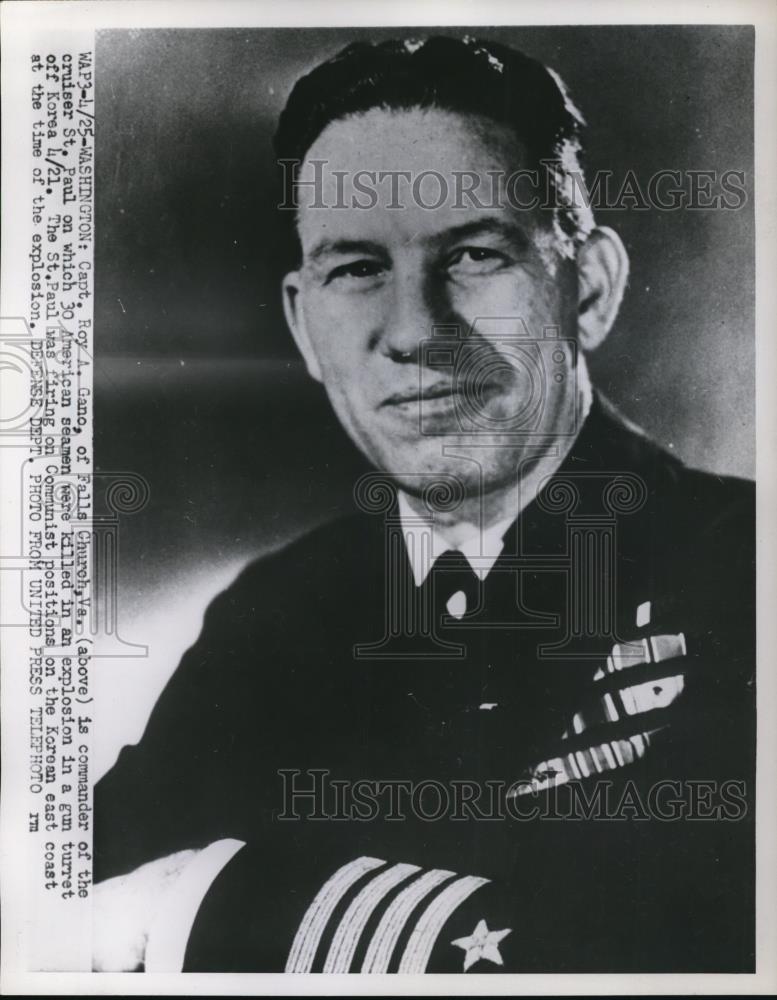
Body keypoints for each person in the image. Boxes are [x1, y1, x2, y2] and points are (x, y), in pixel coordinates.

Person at [93, 36, 755, 973]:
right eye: (356, 268)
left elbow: (686, 949)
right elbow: (66, 890)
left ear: (589, 289)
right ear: (303, 325)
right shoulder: (277, 612)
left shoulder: (742, 570)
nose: (414, 329)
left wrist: (190, 908)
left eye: (475, 254)